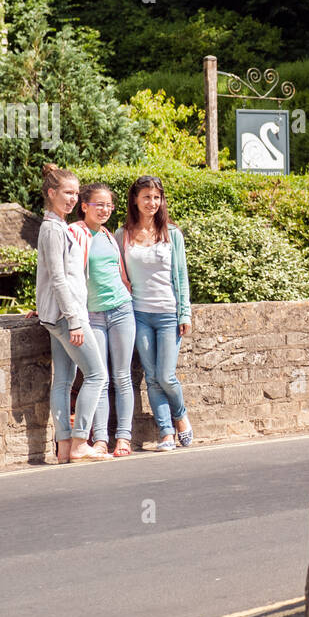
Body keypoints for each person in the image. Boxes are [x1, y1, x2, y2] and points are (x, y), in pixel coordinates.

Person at [36, 164, 108, 463]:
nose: (72, 199)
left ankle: (64, 446)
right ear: (51, 193)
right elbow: (58, 278)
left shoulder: (58, 227)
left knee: (64, 381)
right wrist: (75, 320)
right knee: (97, 375)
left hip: (58, 315)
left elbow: (53, 277)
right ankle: (80, 441)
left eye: (76, 194)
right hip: (68, 318)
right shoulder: (53, 229)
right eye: (67, 193)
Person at [117, 176, 194, 451]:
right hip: (138, 314)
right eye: (147, 197)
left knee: (166, 376)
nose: (152, 202)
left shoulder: (172, 233)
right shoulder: (122, 234)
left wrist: (185, 313)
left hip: (168, 314)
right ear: (135, 200)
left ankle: (180, 415)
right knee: (150, 377)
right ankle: (165, 433)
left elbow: (181, 276)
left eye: (157, 197)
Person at [71, 183, 136, 458]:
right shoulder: (76, 233)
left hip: (122, 309)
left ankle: (123, 437)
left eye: (109, 205)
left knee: (123, 377)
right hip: (93, 315)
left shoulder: (109, 235)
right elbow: (62, 272)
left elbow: (120, 273)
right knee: (100, 378)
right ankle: (100, 440)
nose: (105, 210)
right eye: (99, 204)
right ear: (84, 206)